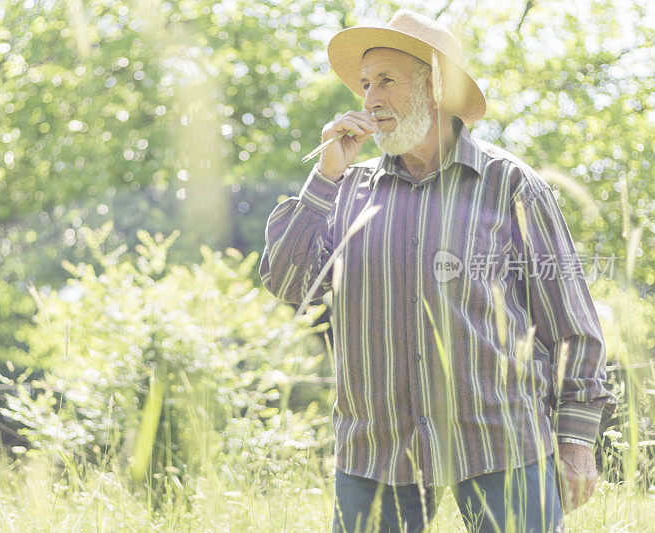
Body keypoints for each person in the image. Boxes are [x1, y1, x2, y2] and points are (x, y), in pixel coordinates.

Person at [259, 9, 615, 533]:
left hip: (501, 440)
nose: (370, 99)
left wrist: (578, 441)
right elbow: (290, 286)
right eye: (364, 85)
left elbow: (573, 323)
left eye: (386, 81)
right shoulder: (347, 190)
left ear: (435, 87)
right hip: (375, 449)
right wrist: (324, 176)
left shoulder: (510, 185)